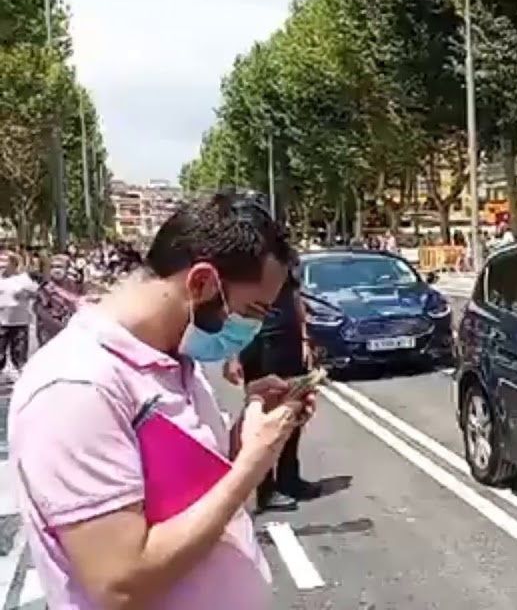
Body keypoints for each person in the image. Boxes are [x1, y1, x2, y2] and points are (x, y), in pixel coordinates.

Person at [8, 192, 315, 610]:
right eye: (252, 310)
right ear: (202, 283)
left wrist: (243, 440)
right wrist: (252, 465)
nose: (256, 329)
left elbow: (198, 499)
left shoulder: (175, 359)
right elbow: (121, 586)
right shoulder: (76, 389)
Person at [225, 257, 317, 512]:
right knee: (264, 418)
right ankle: (266, 490)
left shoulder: (285, 263)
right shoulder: (247, 264)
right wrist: (232, 356)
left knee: (294, 412)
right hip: (259, 346)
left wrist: (305, 338)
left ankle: (289, 480)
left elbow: (296, 297)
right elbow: (233, 310)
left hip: (287, 344)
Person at [0, 250, 38, 372]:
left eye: (5, 260)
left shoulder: (23, 278)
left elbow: (37, 293)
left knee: (19, 356)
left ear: (13, 262)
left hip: (19, 322)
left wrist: (26, 293)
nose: (2, 264)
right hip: (1, 322)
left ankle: (21, 382)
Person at [33, 254, 82, 347]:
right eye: (52, 267)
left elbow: (78, 304)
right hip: (48, 332)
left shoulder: (74, 285)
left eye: (59, 267)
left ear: (67, 269)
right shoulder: (44, 286)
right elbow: (39, 310)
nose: (56, 270)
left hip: (70, 331)